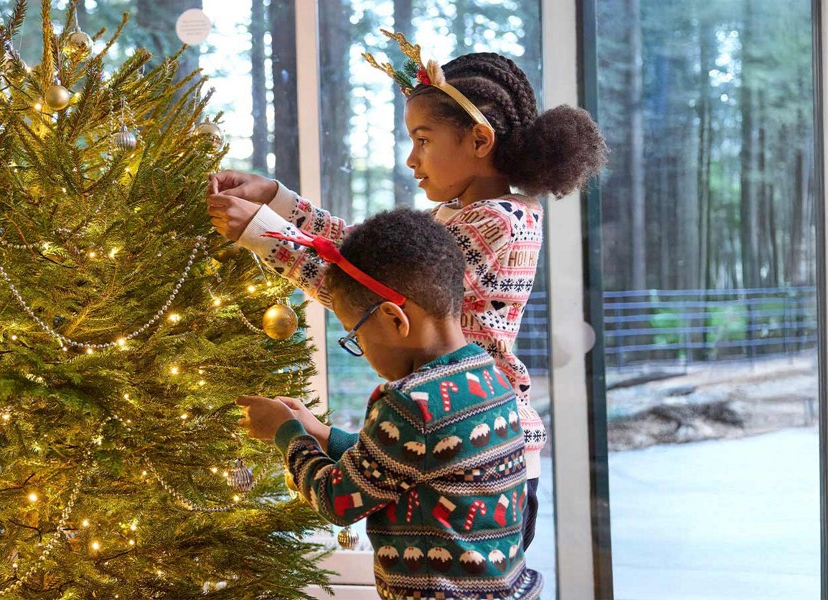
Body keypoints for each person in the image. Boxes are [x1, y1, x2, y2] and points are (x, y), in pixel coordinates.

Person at [208, 32, 607, 549]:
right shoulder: (461, 213)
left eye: (423, 139)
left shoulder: (498, 222)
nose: (410, 159)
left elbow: (375, 292)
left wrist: (261, 235)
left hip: (475, 436)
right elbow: (368, 253)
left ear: (479, 141)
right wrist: (278, 201)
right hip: (446, 429)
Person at [236, 209, 541, 599]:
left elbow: (338, 500)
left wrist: (287, 434)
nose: (359, 348)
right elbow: (403, 463)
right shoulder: (487, 375)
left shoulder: (410, 402)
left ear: (395, 319)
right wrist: (321, 433)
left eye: (355, 335)